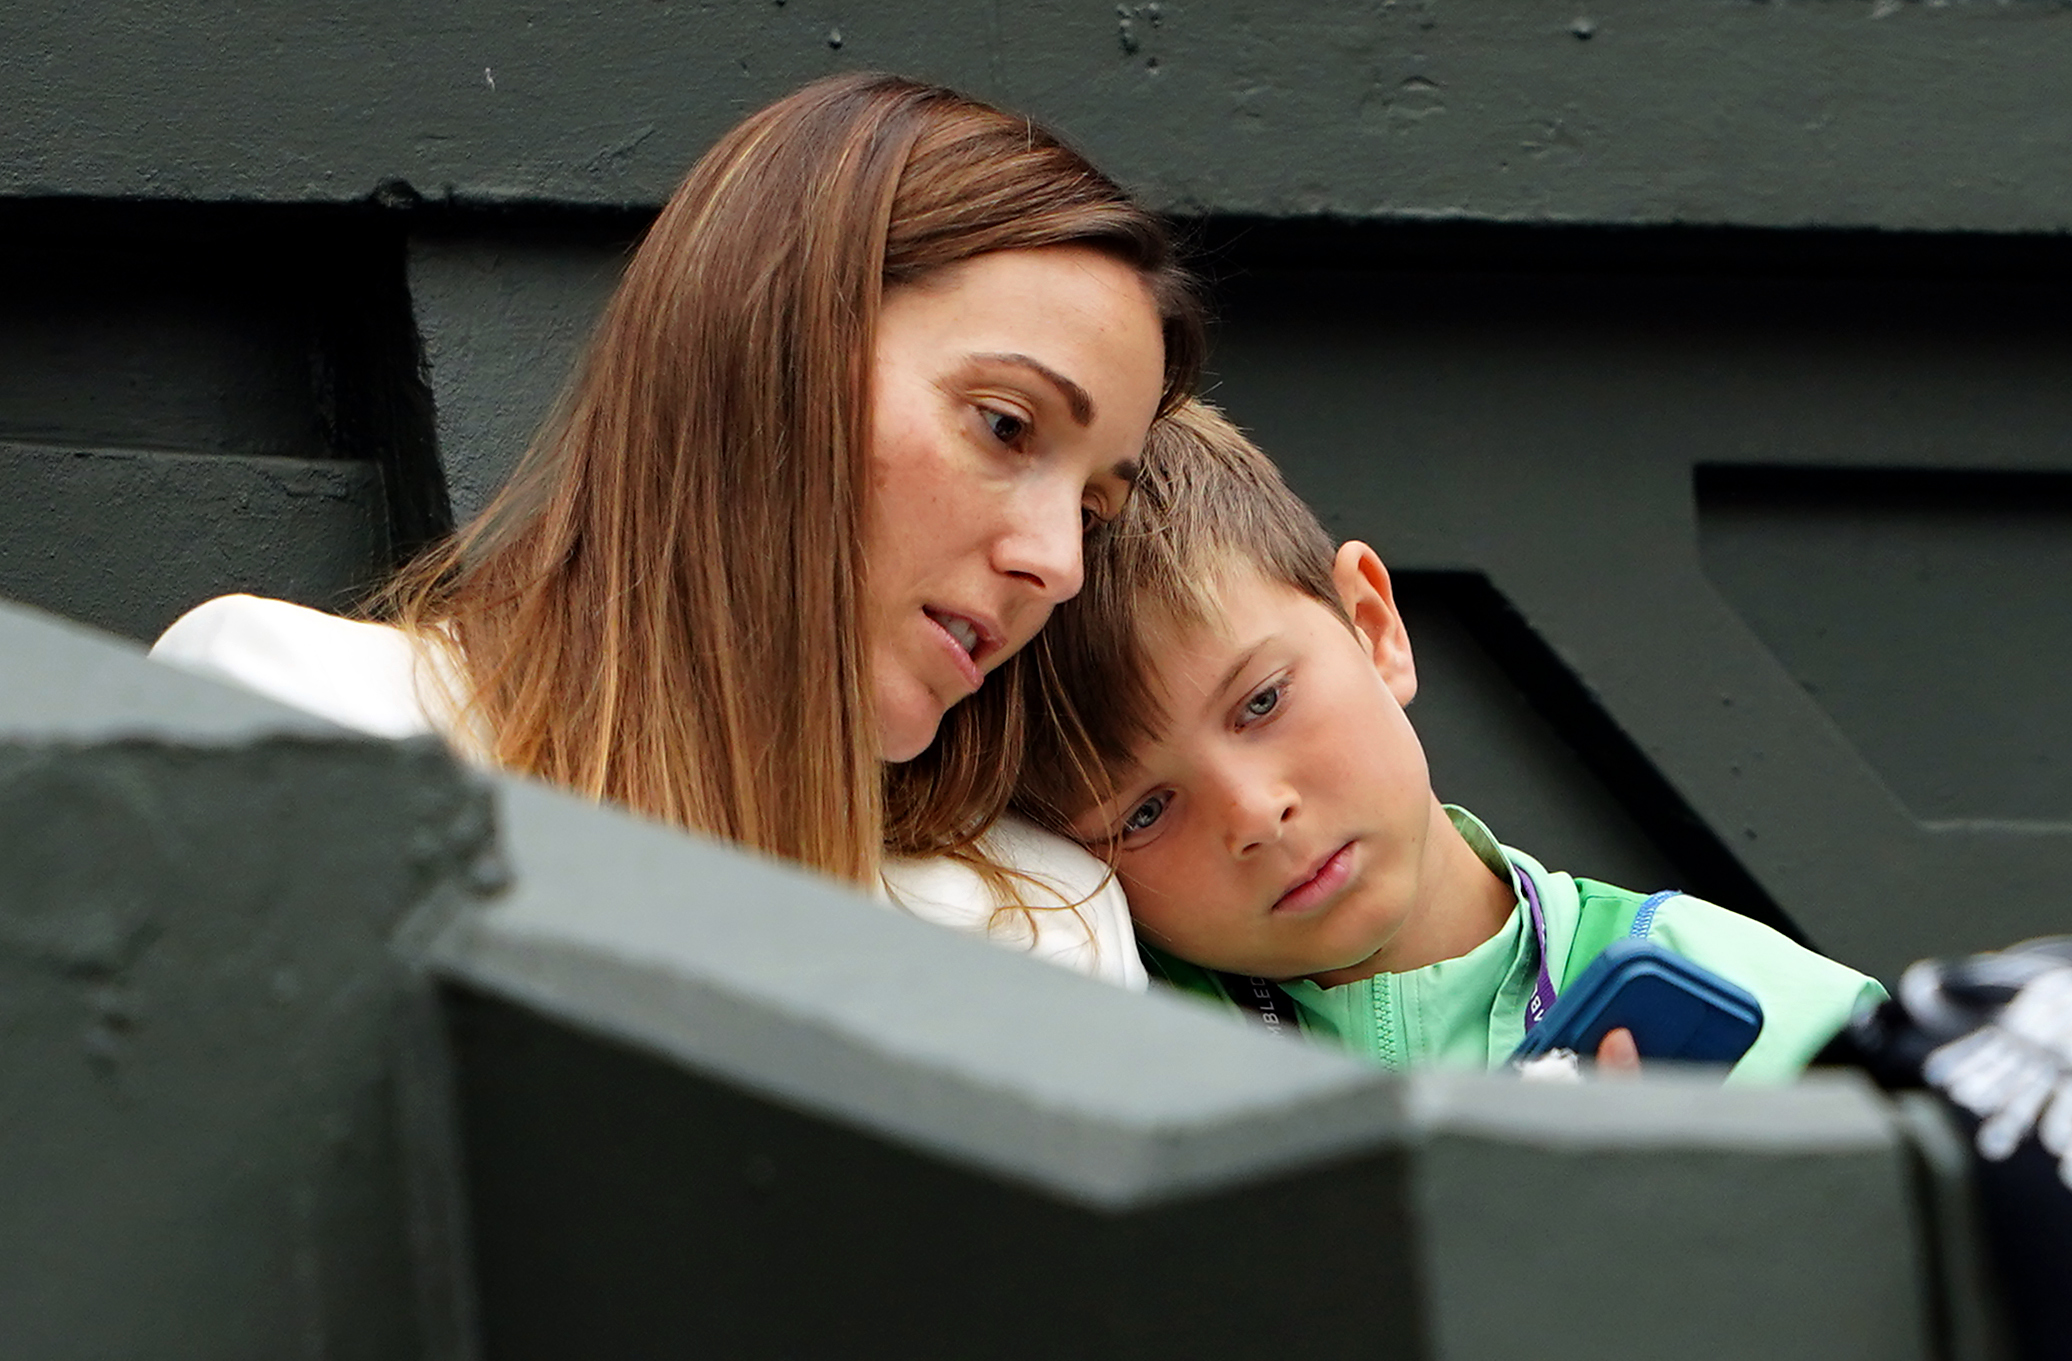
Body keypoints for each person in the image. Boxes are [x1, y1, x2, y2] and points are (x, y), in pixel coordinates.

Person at [149, 73, 1205, 991]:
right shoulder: (306, 725)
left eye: (1091, 510)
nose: (1058, 564)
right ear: (769, 353)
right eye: (1006, 424)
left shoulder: (1045, 929)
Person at [1010, 400, 1885, 1077]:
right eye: (1144, 812)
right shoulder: (1103, 1047)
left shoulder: (1770, 1006)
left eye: (1263, 701)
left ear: (1373, 625)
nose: (1255, 814)